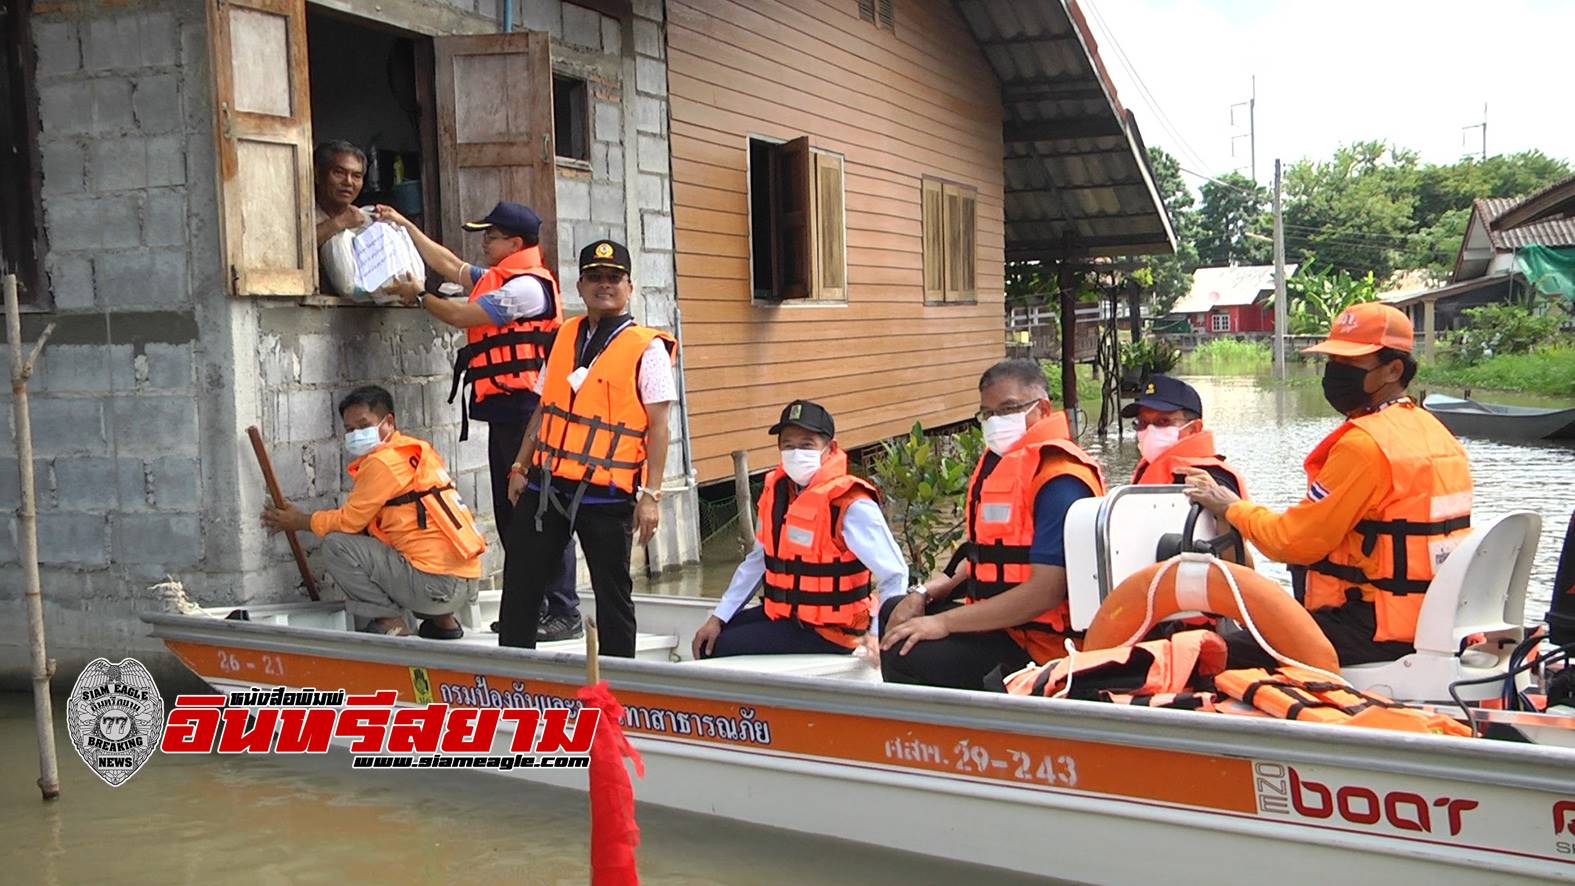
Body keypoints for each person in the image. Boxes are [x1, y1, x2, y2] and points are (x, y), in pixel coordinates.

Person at [1182, 303, 1472, 669]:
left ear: (1393, 370)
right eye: (1332, 362)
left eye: (1349, 365)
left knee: (1211, 653)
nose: (1334, 375)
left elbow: (1293, 542)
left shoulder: (1365, 445)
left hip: (1373, 628)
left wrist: (1230, 507)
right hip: (1433, 620)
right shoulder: (1436, 432)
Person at [378, 199, 582, 642]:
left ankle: (563, 611)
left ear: (515, 242)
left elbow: (461, 314)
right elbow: (450, 264)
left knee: (542, 511)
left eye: (491, 236)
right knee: (513, 515)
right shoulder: (498, 276)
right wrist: (403, 224)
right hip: (506, 413)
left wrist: (419, 297)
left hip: (533, 414)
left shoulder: (527, 288)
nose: (484, 242)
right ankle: (534, 604)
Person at [878, 359, 1107, 690]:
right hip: (1006, 628)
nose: (998, 422)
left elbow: (1045, 592)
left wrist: (943, 623)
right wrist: (924, 594)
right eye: (989, 414)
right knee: (895, 611)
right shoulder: (1003, 465)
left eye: (1009, 409)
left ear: (1042, 409)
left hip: (1042, 646)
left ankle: (949, 736)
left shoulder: (1059, 479)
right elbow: (983, 557)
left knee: (904, 650)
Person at [499, 239, 677, 658]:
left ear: (629, 286)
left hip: (607, 493)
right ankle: (512, 673)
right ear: (580, 285)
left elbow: (660, 427)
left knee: (612, 591)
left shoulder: (646, 348)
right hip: (548, 486)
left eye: (614, 278)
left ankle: (621, 686)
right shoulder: (565, 334)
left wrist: (650, 496)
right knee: (521, 580)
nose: (604, 285)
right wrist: (519, 465)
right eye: (594, 277)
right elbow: (545, 408)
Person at [260, 385, 486, 639]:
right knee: (399, 538)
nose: (356, 434)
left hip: (435, 587)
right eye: (349, 430)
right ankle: (444, 623)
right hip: (467, 584)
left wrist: (299, 521)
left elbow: (348, 522)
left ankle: (392, 621)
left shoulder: (382, 462)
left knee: (337, 545)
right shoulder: (414, 451)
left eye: (363, 425)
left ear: (388, 422)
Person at [690, 401, 908, 660]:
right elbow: (758, 561)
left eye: (807, 445)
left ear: (830, 448)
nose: (796, 453)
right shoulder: (778, 493)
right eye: (788, 445)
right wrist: (718, 618)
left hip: (832, 631)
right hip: (787, 616)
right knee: (708, 638)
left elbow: (895, 573)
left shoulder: (850, 503)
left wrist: (876, 634)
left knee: (719, 648)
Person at [1125, 374, 1245, 497]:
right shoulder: (1147, 468)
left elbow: (1233, 512)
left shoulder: (1213, 478)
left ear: (1194, 429)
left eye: (1163, 421)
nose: (1150, 430)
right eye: (1142, 423)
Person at [314, 141, 369, 248]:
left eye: (356, 176)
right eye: (339, 172)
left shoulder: (364, 220)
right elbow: (291, 250)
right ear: (317, 175)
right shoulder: (303, 218)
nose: (348, 181)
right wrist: (339, 223)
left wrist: (402, 222)